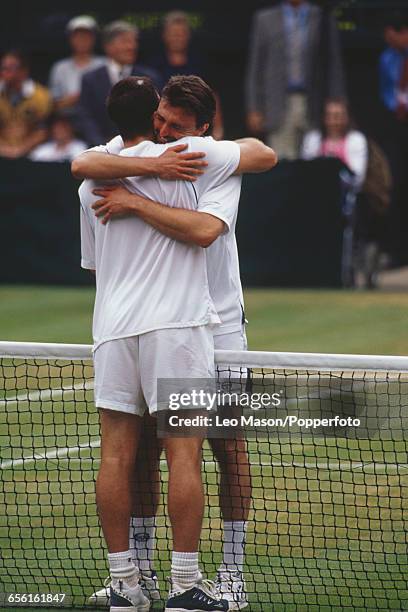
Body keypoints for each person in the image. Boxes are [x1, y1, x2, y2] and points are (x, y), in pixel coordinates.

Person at [73, 74, 278, 610]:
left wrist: (139, 198)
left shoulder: (204, 158)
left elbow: (258, 160)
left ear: (202, 129)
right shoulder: (117, 161)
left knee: (227, 448)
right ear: (152, 110)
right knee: (144, 455)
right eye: (160, 120)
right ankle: (143, 578)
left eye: (178, 127)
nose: (166, 133)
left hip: (219, 325)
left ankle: (229, 573)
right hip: (168, 326)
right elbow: (83, 165)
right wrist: (152, 166)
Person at [246, 0, 346, 159]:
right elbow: (256, 67)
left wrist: (336, 100)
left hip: (314, 103)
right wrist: (254, 107)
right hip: (278, 103)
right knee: (282, 164)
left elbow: (333, 62)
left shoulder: (321, 16)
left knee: (314, 162)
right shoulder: (265, 18)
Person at [77, 21, 162, 146]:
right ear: (108, 46)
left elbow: (158, 114)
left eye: (133, 41)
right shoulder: (90, 79)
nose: (131, 47)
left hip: (143, 147)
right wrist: (102, 145)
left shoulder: (150, 77)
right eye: (125, 41)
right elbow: (85, 116)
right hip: (102, 148)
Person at [150, 11, 224, 139]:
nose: (177, 38)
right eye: (173, 34)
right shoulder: (153, 65)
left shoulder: (201, 63)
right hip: (163, 130)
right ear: (165, 36)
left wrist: (218, 127)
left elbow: (212, 96)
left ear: (188, 36)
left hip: (196, 129)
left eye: (181, 34)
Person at [378, 11, 408, 265]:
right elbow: (388, 94)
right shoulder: (387, 58)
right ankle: (397, 252)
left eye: (393, 34)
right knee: (396, 185)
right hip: (397, 127)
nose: (389, 39)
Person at [48, 15, 105, 120]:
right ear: (71, 39)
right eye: (78, 36)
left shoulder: (104, 64)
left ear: (94, 38)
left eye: (86, 36)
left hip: (99, 121)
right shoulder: (60, 68)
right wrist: (77, 98)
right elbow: (54, 105)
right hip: (69, 123)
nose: (82, 40)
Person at [0, 50, 52, 158]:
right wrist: (5, 149)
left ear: (24, 71)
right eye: (3, 68)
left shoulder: (41, 96)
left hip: (32, 152)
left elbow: (42, 131)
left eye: (10, 68)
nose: (4, 72)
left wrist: (20, 150)